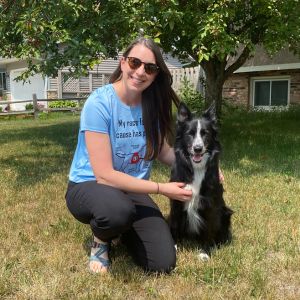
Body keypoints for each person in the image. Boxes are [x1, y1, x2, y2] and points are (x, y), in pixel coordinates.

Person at [65, 37, 193, 274]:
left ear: (156, 74)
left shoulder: (150, 105)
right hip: (90, 184)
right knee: (116, 211)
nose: (140, 71)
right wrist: (161, 188)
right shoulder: (99, 103)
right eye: (135, 63)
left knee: (162, 263)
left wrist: (203, 164)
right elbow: (104, 175)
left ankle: (122, 232)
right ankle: (101, 240)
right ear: (123, 63)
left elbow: (162, 151)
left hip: (133, 189)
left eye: (150, 68)